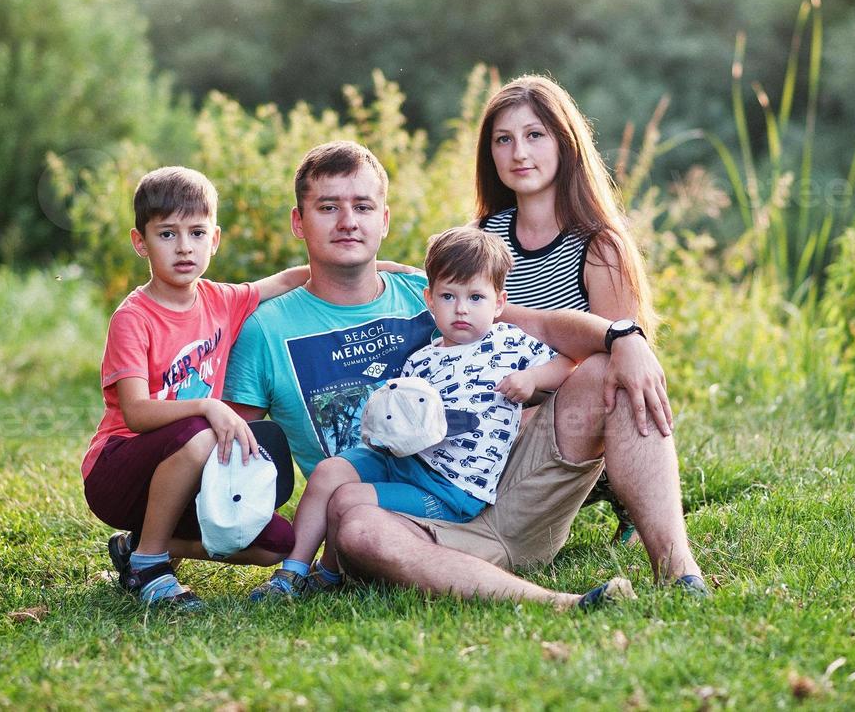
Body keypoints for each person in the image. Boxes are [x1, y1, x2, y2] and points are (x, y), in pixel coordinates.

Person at [225, 141, 701, 608]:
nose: (348, 221)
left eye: (363, 206)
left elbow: (542, 325)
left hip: (508, 491)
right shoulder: (266, 330)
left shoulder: (432, 291)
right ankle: (563, 603)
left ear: (383, 220)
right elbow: (236, 454)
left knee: (605, 369)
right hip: (401, 523)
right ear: (298, 221)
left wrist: (624, 336)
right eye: (328, 207)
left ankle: (680, 573)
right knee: (357, 524)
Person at [248, 226, 623, 606]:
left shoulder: (508, 342)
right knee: (331, 472)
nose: (461, 309)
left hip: (450, 490)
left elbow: (568, 363)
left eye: (476, 297)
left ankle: (327, 575)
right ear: (429, 300)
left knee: (348, 500)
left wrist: (532, 378)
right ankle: (290, 575)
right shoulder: (420, 359)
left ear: (498, 303)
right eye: (448, 296)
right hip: (407, 462)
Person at [81, 166, 310, 609]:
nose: (184, 247)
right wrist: (210, 406)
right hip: (118, 472)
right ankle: (150, 565)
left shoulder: (221, 300)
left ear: (215, 239)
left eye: (197, 232)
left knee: (278, 544)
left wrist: (382, 268)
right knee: (200, 434)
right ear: (140, 242)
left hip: (190, 468)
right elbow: (137, 413)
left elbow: (286, 280)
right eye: (167, 234)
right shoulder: (134, 318)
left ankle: (139, 546)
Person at [476, 74, 658, 545]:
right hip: (496, 406)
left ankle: (625, 495)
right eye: (504, 139)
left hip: (570, 413)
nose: (519, 153)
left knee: (602, 364)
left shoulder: (599, 246)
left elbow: (618, 359)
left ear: (565, 144)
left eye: (535, 135)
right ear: (490, 153)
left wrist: (533, 406)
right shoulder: (480, 238)